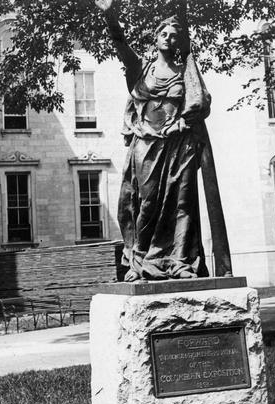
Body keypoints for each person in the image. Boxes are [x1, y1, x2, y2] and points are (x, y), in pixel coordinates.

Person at [96, 0, 210, 282]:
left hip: (179, 144)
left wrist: (183, 121)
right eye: (165, 35)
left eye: (174, 36)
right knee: (146, 203)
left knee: (183, 203)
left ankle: (181, 262)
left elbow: (200, 101)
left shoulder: (185, 72)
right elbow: (121, 44)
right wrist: (110, 15)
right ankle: (140, 262)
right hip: (147, 143)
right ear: (156, 38)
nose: (169, 39)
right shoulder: (141, 69)